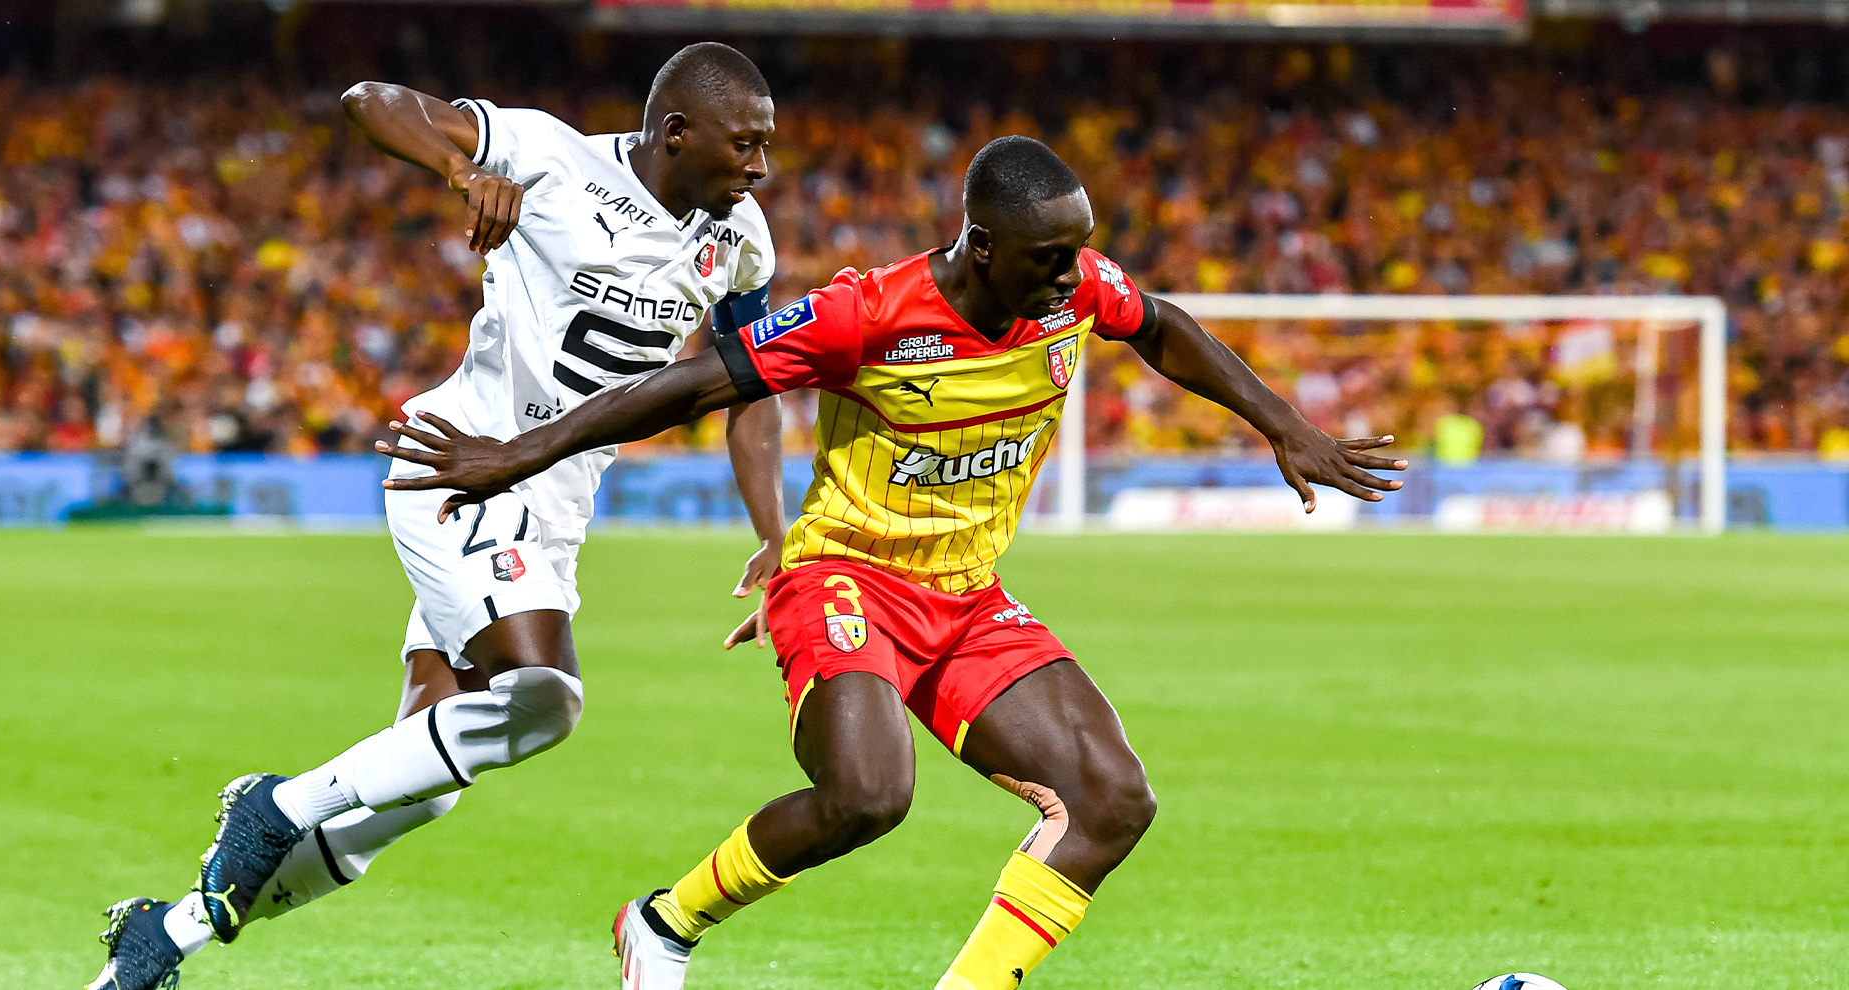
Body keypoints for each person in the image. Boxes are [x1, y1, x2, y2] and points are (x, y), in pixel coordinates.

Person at [380, 135, 1407, 990]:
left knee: (1112, 799)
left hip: (967, 598)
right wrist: (518, 453)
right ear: (981, 244)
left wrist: (1286, 427)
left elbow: (1165, 327)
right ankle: (664, 921)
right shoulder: (866, 314)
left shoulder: (1076, 290)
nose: (1072, 276)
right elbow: (700, 384)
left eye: (1079, 252)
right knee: (869, 796)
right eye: (1051, 257)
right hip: (843, 578)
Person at [87, 42, 788, 990]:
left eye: (764, 145)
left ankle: (163, 939)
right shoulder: (548, 154)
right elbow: (368, 97)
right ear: (677, 133)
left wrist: (771, 530)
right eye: (745, 145)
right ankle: (279, 807)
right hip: (458, 469)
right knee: (544, 696)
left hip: (553, 514)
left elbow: (750, 385)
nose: (760, 166)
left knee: (422, 787)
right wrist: (463, 172)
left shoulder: (741, 238)